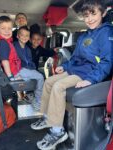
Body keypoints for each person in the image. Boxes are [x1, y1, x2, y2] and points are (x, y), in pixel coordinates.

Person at [30, 0, 113, 150]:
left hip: (89, 73)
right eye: (86, 15)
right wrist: (63, 66)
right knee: (49, 82)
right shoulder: (83, 36)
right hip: (76, 69)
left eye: (93, 14)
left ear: (103, 13)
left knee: (58, 86)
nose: (90, 19)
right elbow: (75, 58)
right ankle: (47, 117)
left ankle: (57, 131)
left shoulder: (106, 33)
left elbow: (107, 61)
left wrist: (90, 79)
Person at [14, 26, 44, 110]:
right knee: (40, 77)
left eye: (26, 36)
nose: (24, 37)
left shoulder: (27, 49)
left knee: (35, 75)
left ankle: (31, 96)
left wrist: (33, 68)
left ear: (29, 38)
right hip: (19, 69)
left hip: (25, 70)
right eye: (22, 35)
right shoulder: (14, 46)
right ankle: (39, 102)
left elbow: (30, 61)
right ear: (18, 36)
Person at [0, 16, 22, 81]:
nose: (7, 31)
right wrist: (10, 76)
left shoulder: (7, 42)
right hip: (13, 73)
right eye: (3, 28)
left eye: (9, 28)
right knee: (38, 76)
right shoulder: (3, 43)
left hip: (15, 71)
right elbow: (4, 61)